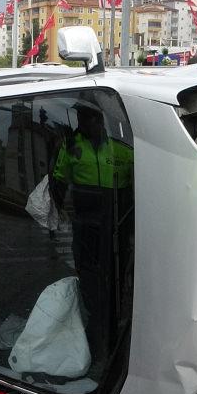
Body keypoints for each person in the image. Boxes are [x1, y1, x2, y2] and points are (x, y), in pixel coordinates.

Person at [49, 104, 133, 375]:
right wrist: (56, 215)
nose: (82, 121)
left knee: (115, 280)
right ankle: (92, 327)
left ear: (100, 119)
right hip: (85, 223)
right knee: (88, 278)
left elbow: (135, 187)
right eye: (80, 116)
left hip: (116, 223)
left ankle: (113, 321)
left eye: (87, 116)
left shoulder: (122, 149)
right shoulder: (72, 146)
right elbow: (58, 183)